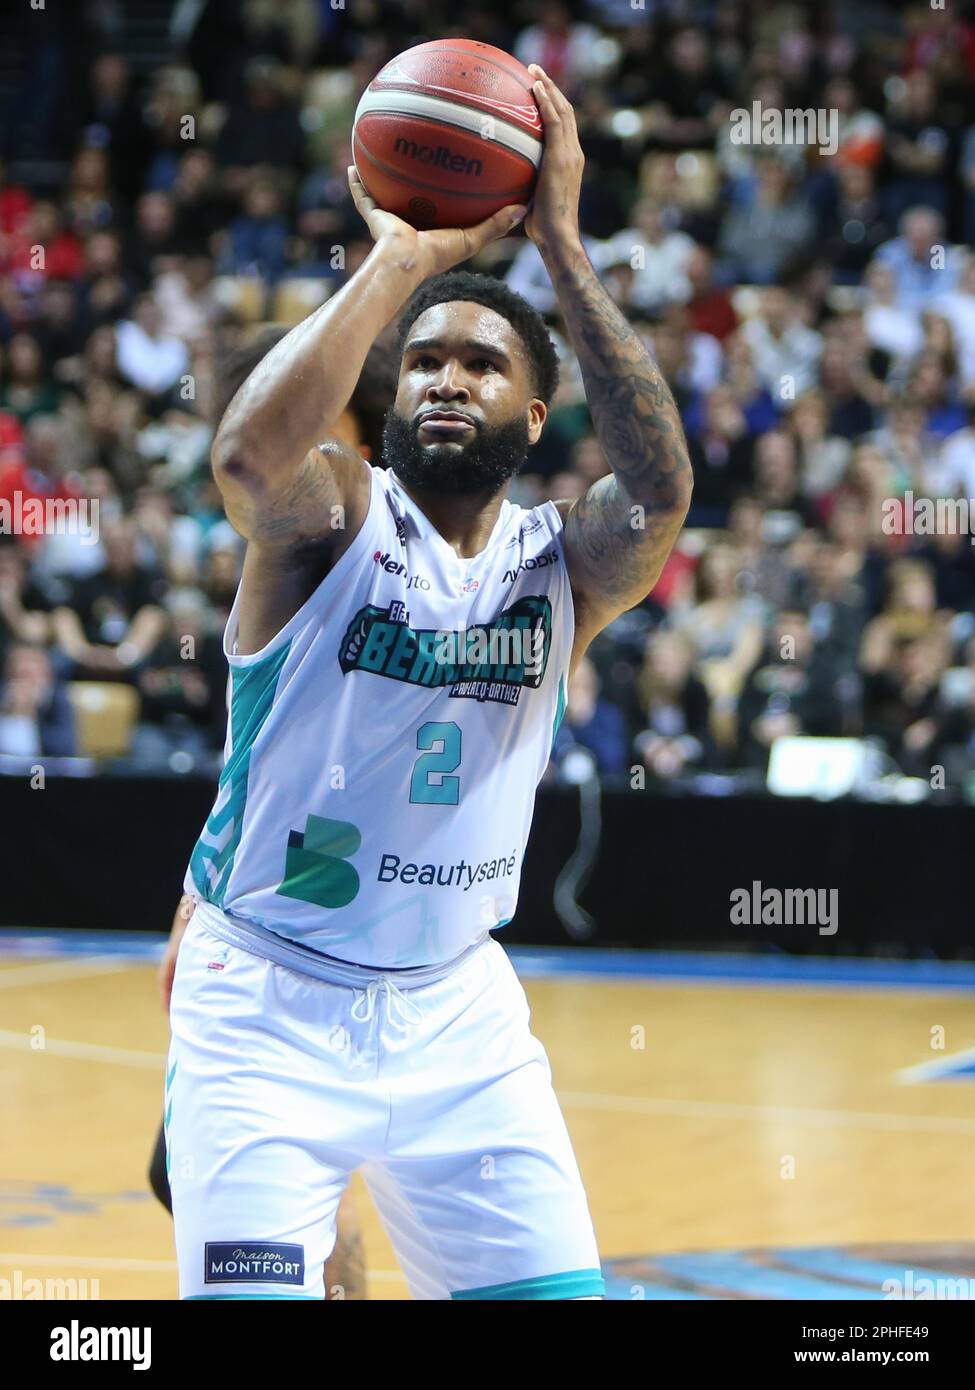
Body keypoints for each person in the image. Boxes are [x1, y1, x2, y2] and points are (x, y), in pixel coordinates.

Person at [165, 66, 692, 1301]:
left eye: (480, 364)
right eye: (423, 364)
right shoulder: (335, 520)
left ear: (536, 413)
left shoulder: (564, 563)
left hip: (459, 1016)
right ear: (389, 398)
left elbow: (662, 492)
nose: (446, 378)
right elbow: (246, 456)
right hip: (267, 1010)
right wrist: (401, 259)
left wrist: (558, 245)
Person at [152, 324, 396, 1299]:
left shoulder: (362, 528)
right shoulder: (294, 532)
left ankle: (331, 1243)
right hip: (250, 882)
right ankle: (324, 1234)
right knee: (184, 1171)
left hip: (329, 894)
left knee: (277, 1190)